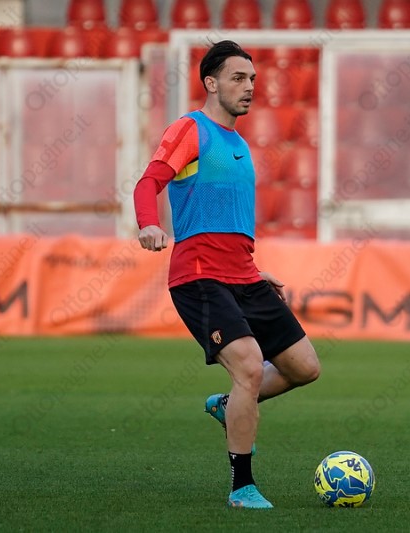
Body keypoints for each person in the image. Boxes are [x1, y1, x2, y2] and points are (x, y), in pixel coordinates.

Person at [133, 40, 321, 510]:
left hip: (243, 275)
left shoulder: (239, 145)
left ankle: (227, 404)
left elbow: (229, 221)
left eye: (252, 79)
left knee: (305, 368)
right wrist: (149, 224)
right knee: (250, 367)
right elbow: (148, 182)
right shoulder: (190, 129)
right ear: (211, 83)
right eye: (238, 78)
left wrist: (253, 270)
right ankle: (242, 487)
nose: (249, 86)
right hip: (199, 276)